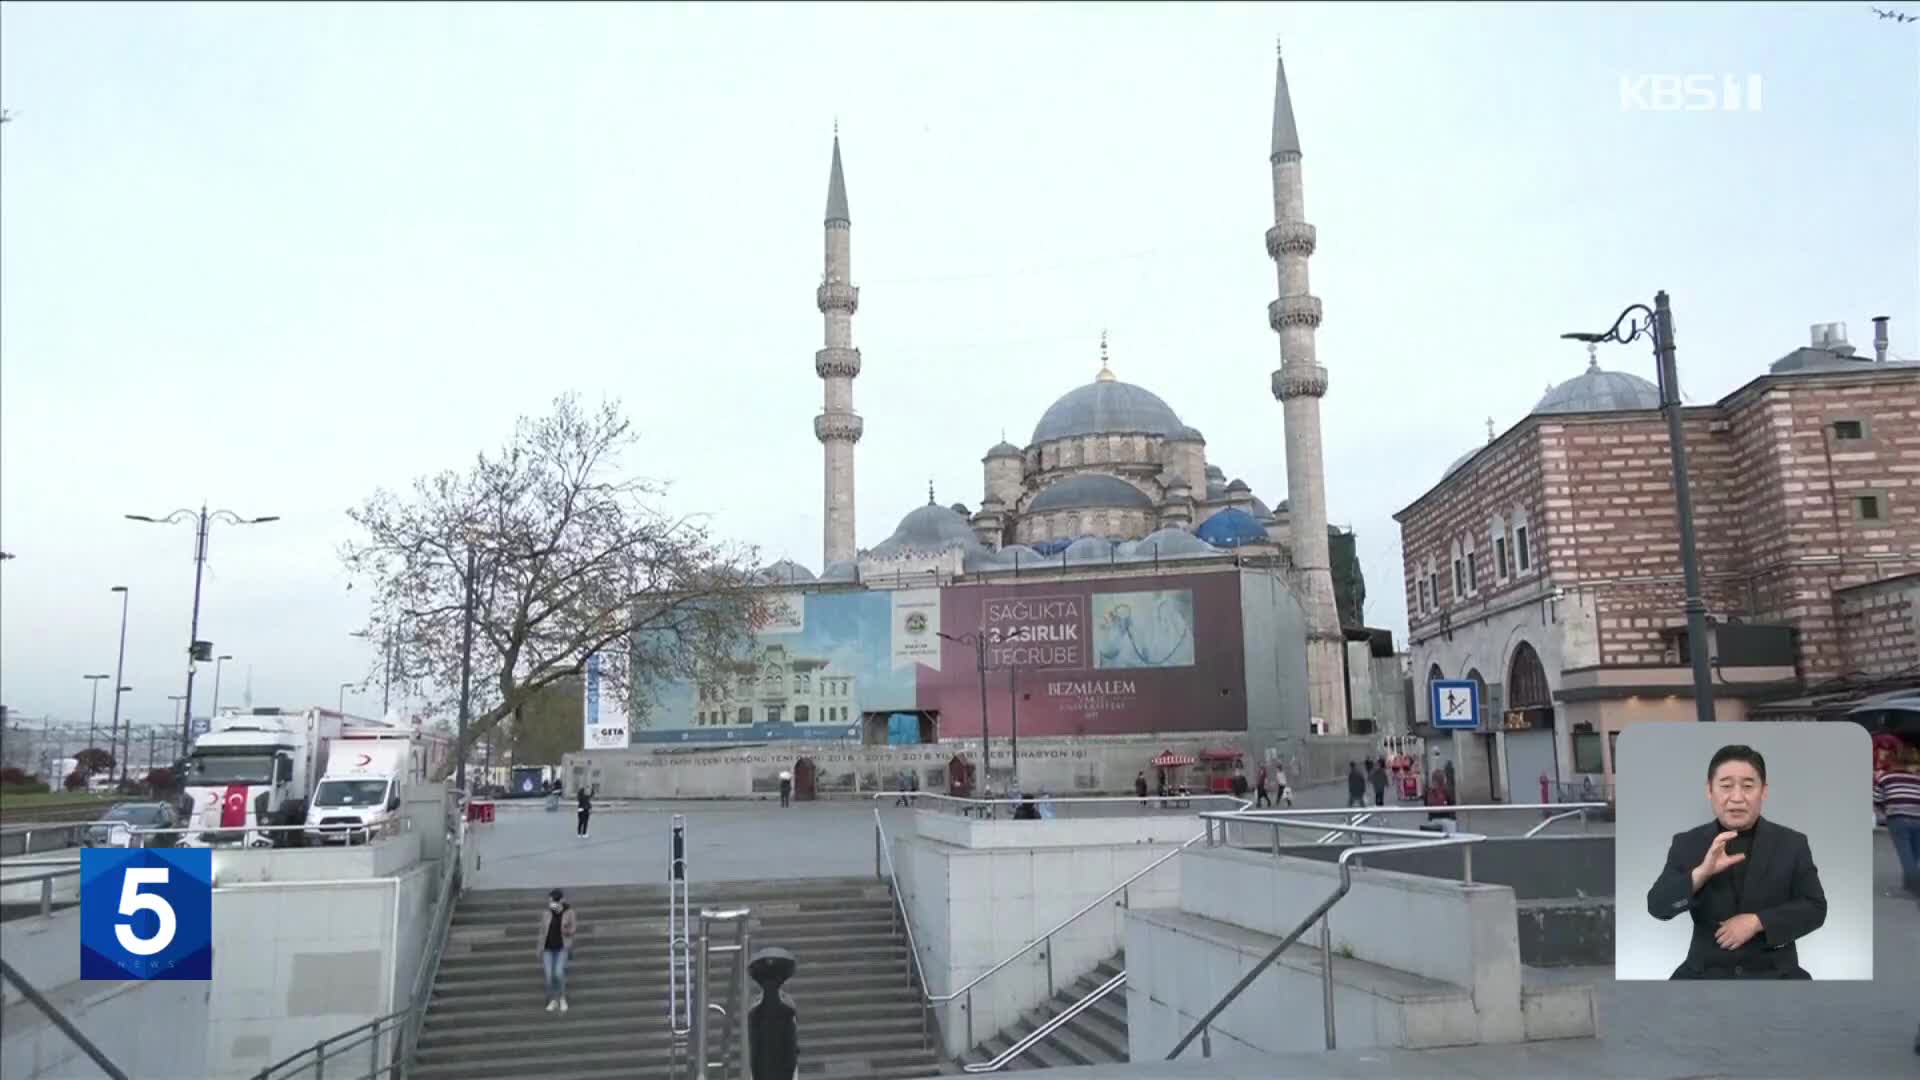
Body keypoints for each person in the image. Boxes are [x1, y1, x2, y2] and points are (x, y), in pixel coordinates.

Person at [1646, 744, 1827, 980]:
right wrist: (1701, 874)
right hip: (1705, 973)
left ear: (1764, 791)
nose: (1737, 797)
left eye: (1748, 786)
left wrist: (1757, 922)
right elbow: (1657, 907)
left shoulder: (1792, 843)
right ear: (1710, 791)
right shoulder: (1688, 843)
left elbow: (1815, 908)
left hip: (1775, 973)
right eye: (1726, 786)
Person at [1873, 746, 1920, 898]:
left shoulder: (1887, 777)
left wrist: (1887, 809)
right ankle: (1909, 885)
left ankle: (1913, 888)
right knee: (1915, 854)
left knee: (1906, 855)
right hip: (1918, 818)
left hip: (1897, 819)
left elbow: (1876, 797)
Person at [538, 887, 577, 1012]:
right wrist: (539, 949)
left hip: (562, 947)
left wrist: (566, 930)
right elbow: (542, 932)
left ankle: (562, 998)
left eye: (553, 900)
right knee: (549, 975)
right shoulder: (546, 912)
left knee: (558, 972)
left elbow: (573, 930)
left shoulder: (569, 912)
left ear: (560, 900)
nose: (551, 903)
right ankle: (553, 999)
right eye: (550, 900)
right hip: (548, 948)